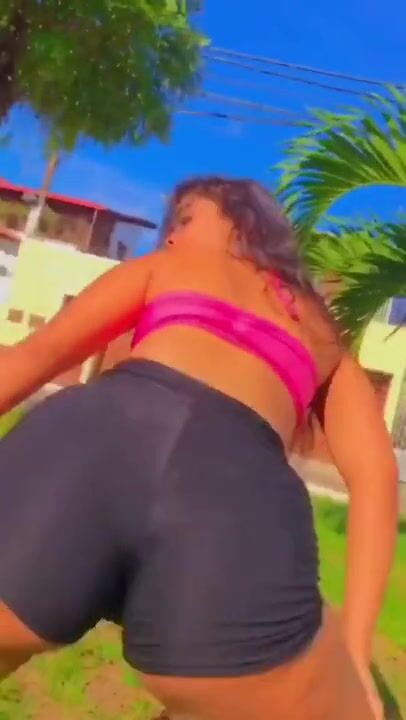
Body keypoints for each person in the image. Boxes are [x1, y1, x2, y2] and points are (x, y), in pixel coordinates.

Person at [0, 177, 398, 720]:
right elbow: (376, 477)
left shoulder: (167, 268)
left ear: (246, 224)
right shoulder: (320, 331)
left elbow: (31, 358)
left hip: (84, 444)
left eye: (184, 221)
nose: (169, 237)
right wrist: (355, 647)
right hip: (232, 503)